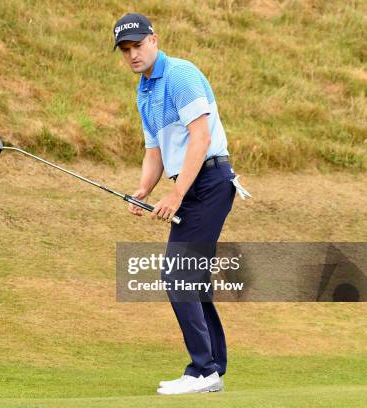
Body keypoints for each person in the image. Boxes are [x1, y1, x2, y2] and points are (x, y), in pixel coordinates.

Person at [113, 13, 242, 395]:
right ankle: (212, 368)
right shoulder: (144, 91)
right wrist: (144, 190)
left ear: (154, 39)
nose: (133, 54)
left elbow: (200, 140)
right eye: (125, 50)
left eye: (137, 45)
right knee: (192, 278)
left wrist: (175, 194)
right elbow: (154, 150)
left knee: (177, 274)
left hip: (210, 182)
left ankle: (202, 371)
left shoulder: (181, 75)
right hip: (194, 183)